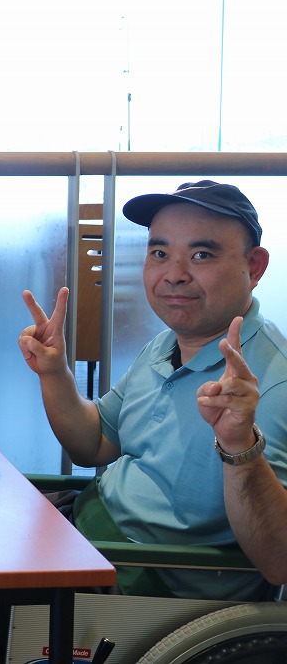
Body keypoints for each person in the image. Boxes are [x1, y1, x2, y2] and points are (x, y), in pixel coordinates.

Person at [19, 180, 287, 601]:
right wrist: (54, 372)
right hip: (85, 531)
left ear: (253, 267)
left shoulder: (271, 381)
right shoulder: (165, 344)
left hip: (139, 586)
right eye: (160, 253)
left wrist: (239, 445)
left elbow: (278, 562)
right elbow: (94, 444)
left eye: (201, 255)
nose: (174, 275)